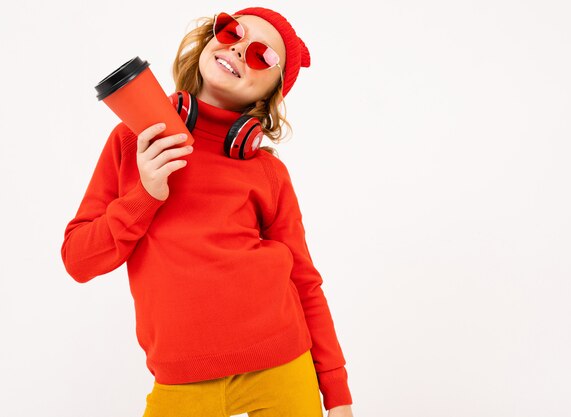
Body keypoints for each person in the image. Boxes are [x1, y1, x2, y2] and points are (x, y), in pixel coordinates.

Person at [60, 6, 354, 417]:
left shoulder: (268, 173)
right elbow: (78, 260)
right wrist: (146, 194)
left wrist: (337, 393)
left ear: (269, 94)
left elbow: (304, 281)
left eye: (262, 56)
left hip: (283, 366)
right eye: (233, 32)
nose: (238, 50)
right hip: (181, 380)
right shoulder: (134, 140)